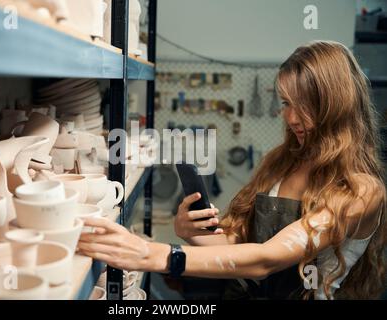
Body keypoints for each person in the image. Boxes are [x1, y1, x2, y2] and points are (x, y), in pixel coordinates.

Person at [78, 41, 386, 300]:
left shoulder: (362, 190)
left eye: (304, 104)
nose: (291, 118)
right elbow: (241, 247)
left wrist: (155, 254)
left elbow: (268, 259)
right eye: (286, 103)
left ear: (336, 104)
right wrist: (188, 232)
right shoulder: (283, 161)